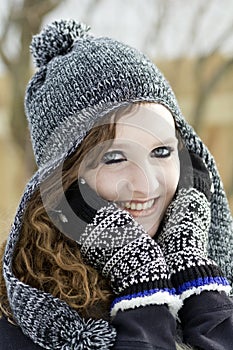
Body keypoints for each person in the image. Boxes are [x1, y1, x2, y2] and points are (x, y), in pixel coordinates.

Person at [0, 19, 232, 350]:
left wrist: (199, 283)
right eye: (114, 158)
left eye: (161, 151)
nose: (146, 184)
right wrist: (143, 291)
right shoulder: (23, 324)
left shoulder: (217, 278)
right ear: (62, 181)